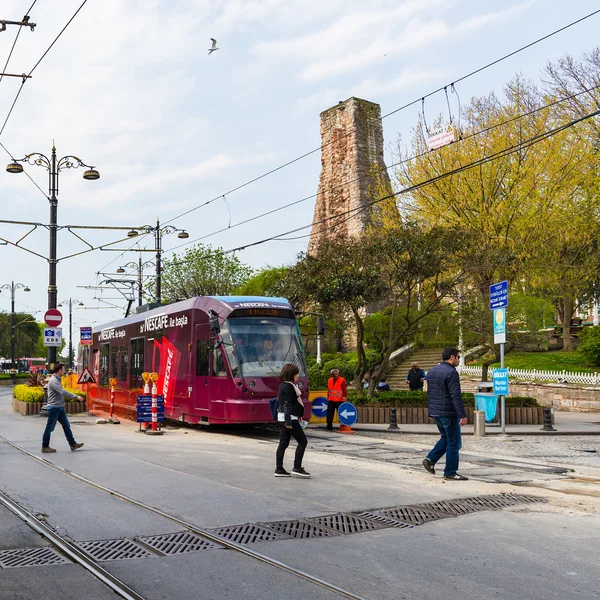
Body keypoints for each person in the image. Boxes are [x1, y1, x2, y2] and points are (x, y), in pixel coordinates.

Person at [422, 348, 468, 481]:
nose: (459, 360)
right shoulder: (451, 372)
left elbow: (430, 393)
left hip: (436, 412)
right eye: (458, 357)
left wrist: (431, 412)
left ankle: (430, 459)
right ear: (452, 357)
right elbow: (455, 396)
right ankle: (450, 472)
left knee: (446, 438)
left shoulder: (432, 371)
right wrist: (462, 415)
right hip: (448, 412)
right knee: (454, 442)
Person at [274, 363, 310, 478]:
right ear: (292, 374)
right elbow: (288, 404)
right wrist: (289, 422)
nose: (298, 376)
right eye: (296, 373)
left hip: (282, 417)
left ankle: (279, 469)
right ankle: (297, 468)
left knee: (283, 444)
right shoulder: (289, 386)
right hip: (289, 419)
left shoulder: (282, 385)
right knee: (303, 442)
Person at [41, 363, 84, 454]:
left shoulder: (57, 379)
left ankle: (72, 444)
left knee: (66, 425)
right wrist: (76, 397)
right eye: (63, 369)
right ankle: (45, 446)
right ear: (59, 370)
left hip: (59, 407)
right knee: (50, 427)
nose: (65, 371)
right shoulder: (53, 381)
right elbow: (62, 392)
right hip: (54, 408)